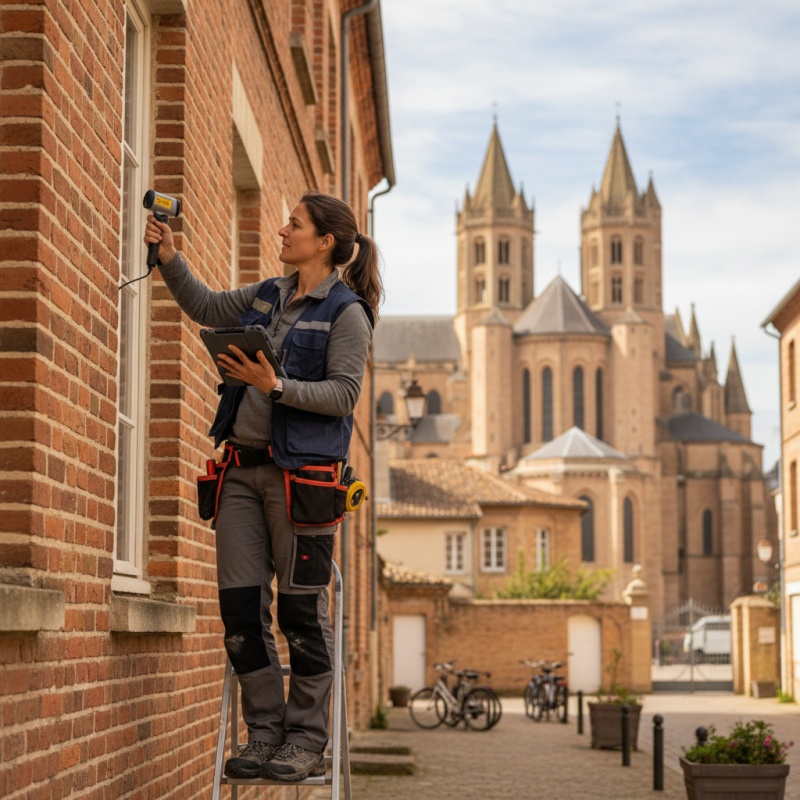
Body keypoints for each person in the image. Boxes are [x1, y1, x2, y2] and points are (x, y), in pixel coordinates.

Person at [143, 190, 380, 782]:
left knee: (301, 612)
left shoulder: (346, 312)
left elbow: (344, 396)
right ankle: (265, 734)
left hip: (303, 482)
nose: (281, 230)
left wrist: (276, 386)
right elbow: (204, 305)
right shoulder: (268, 294)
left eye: (293, 224)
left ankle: (305, 740)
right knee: (242, 612)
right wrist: (170, 257)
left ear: (324, 242)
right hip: (241, 473)